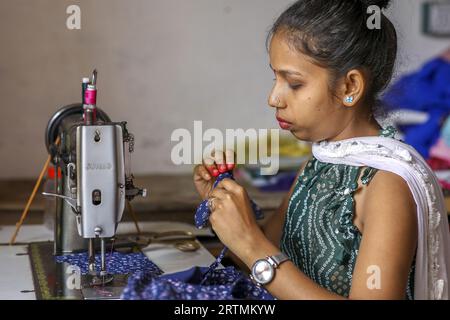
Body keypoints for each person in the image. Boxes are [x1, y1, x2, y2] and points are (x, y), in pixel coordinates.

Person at [193, 0, 450, 300]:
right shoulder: (317, 167)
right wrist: (222, 200)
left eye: (294, 83)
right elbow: (262, 254)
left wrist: (252, 245)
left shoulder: (386, 186)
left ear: (349, 87)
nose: (273, 98)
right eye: (275, 78)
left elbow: (259, 255)